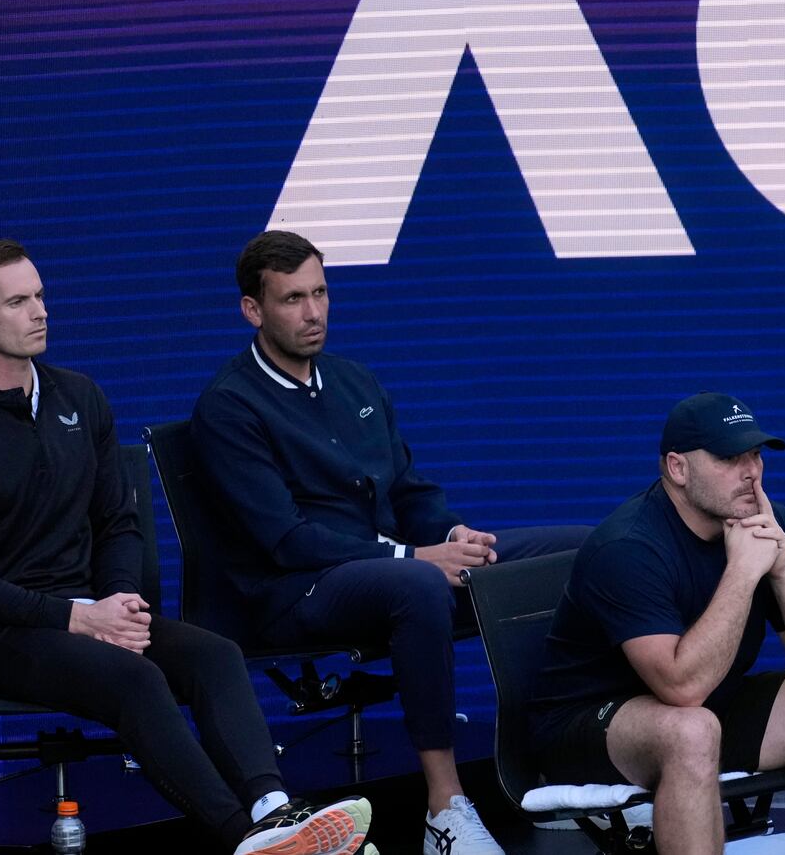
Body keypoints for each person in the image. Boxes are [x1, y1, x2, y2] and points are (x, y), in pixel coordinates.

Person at [0, 238, 375, 855]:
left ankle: (276, 813)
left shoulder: (81, 398)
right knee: (134, 677)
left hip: (89, 614)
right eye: (18, 302)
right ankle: (243, 840)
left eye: (40, 296)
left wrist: (118, 601)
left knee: (216, 655)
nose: (40, 311)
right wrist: (79, 616)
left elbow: (117, 523)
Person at [191, 230, 587, 855]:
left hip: (392, 568)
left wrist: (452, 534)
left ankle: (565, 771)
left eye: (320, 292)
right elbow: (284, 539)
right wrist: (415, 556)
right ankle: (445, 809)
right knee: (420, 583)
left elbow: (408, 491)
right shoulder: (229, 405)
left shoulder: (354, 381)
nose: (313, 312)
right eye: (292, 299)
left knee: (573, 554)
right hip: (293, 590)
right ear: (253, 309)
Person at [528, 392, 785, 855]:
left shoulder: (767, 522)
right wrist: (741, 572)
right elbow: (682, 689)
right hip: (589, 723)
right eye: (728, 458)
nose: (751, 472)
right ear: (677, 469)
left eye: (755, 455)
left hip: (712, 705)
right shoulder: (628, 547)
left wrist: (783, 572)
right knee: (692, 729)